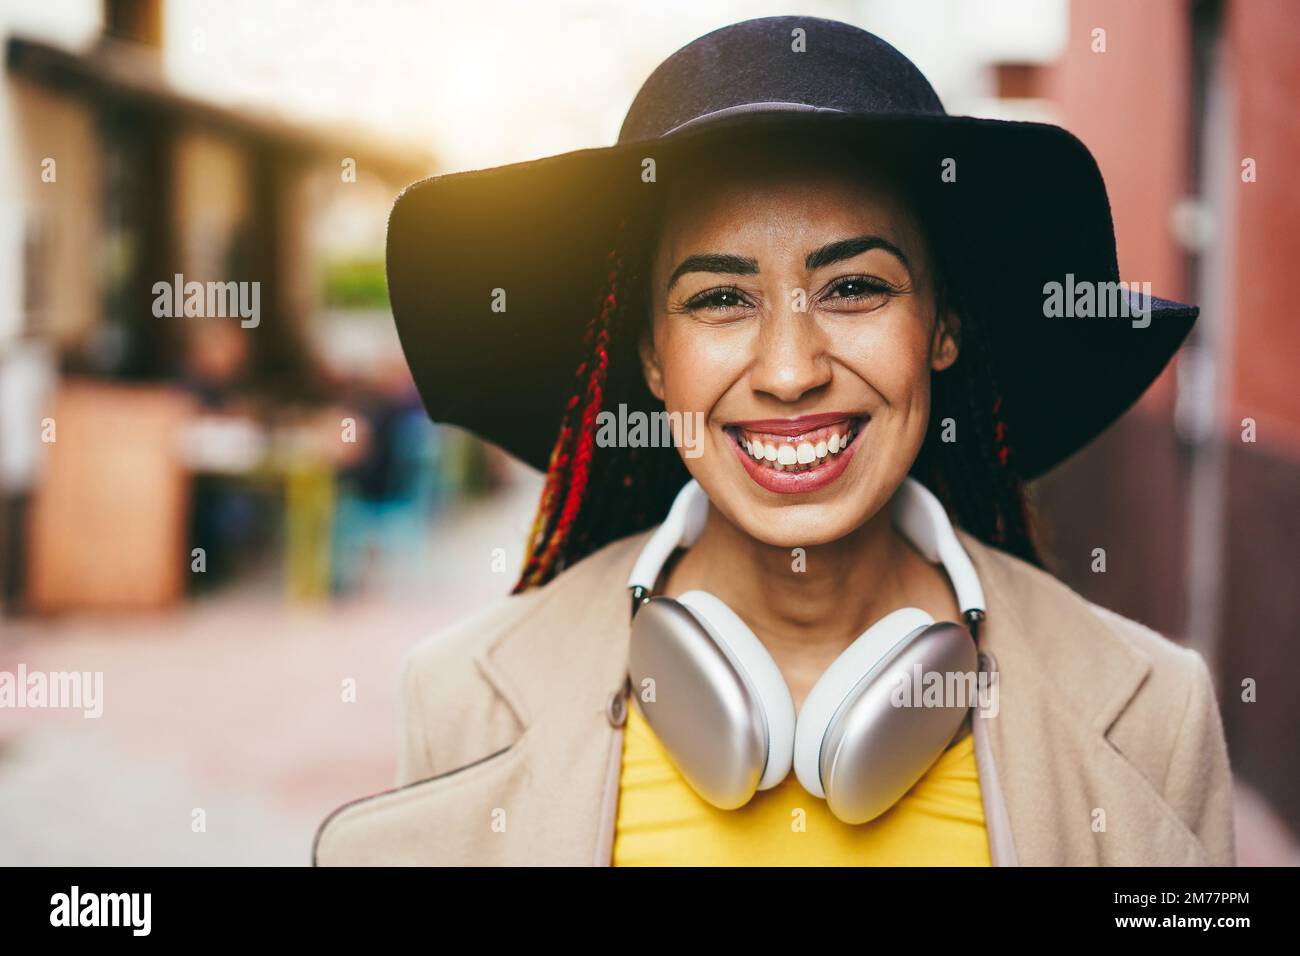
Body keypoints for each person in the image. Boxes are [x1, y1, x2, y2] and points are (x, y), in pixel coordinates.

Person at [314, 16, 1233, 867]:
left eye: (855, 288)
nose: (790, 371)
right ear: (654, 361)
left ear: (942, 328)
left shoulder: (1153, 710)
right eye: (719, 299)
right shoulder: (461, 700)